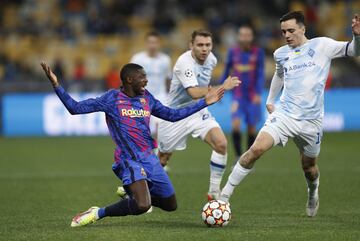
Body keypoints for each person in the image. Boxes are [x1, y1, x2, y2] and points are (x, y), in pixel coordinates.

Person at [40, 61, 225, 227]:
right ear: (129, 79)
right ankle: (97, 212)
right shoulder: (112, 99)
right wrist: (57, 85)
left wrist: (205, 102)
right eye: (142, 77)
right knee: (143, 205)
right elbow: (75, 108)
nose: (146, 81)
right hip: (128, 159)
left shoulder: (147, 98)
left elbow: (172, 115)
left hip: (149, 158)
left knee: (170, 204)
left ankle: (133, 192)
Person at [219, 11, 360, 217]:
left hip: (311, 122)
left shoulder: (323, 45)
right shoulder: (280, 53)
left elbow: (355, 51)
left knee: (309, 167)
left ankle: (313, 192)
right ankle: (223, 198)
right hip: (284, 114)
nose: (287, 35)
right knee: (255, 150)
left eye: (291, 30)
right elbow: (279, 75)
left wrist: (357, 35)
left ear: (303, 29)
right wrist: (270, 101)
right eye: (284, 31)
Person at [157, 30, 241, 200]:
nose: (204, 49)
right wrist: (222, 87)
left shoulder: (212, 60)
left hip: (197, 110)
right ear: (191, 45)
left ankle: (213, 192)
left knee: (221, 144)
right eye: (200, 45)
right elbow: (194, 92)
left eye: (208, 45)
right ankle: (139, 192)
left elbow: (201, 94)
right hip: (175, 114)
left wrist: (213, 92)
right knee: (162, 159)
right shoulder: (184, 63)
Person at [220, 24, 265, 166]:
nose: (245, 38)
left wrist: (258, 92)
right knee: (236, 125)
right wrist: (221, 89)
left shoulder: (258, 52)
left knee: (252, 127)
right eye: (242, 35)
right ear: (239, 37)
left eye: (248, 35)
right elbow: (227, 70)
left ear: (251, 37)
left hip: (252, 95)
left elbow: (260, 73)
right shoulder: (233, 52)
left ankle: (248, 158)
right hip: (237, 95)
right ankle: (238, 156)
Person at [130, 31, 172, 138]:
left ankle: (157, 153)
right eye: (150, 42)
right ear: (146, 43)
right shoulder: (137, 59)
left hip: (160, 96)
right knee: (140, 128)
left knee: (161, 126)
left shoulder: (165, 60)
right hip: (141, 97)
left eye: (155, 42)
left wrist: (169, 96)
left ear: (159, 44)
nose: (152, 45)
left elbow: (168, 79)